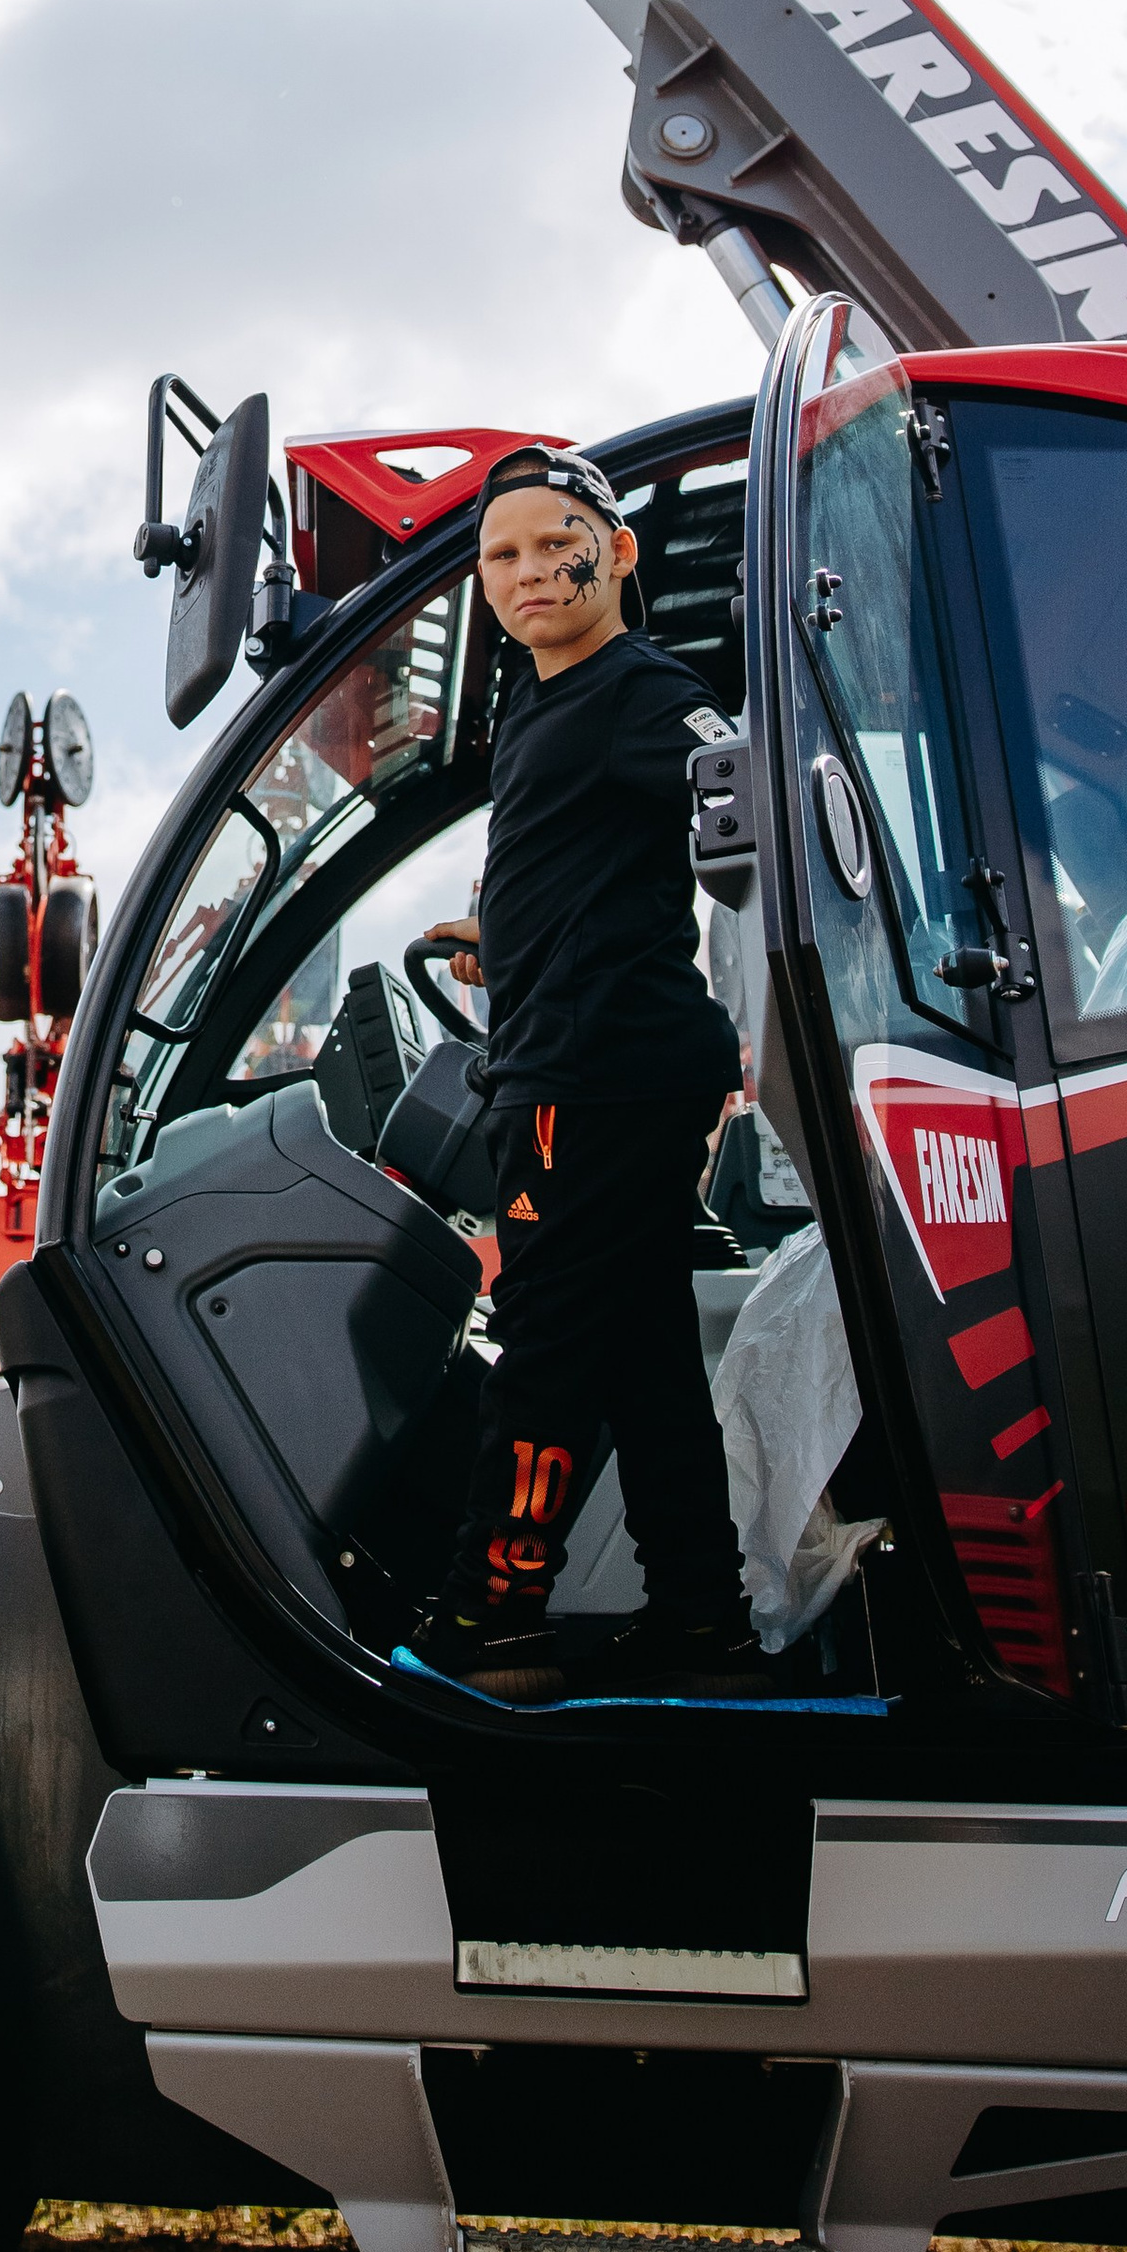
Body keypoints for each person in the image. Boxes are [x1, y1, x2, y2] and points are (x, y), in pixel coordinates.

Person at [411, 443, 754, 1695]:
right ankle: (701, 1617)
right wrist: (498, 935)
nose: (520, 572)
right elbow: (583, 861)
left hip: (597, 1076)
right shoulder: (538, 703)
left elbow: (737, 782)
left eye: (548, 542)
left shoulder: (638, 688)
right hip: (579, 1055)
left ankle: (490, 1611)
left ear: (612, 551)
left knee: (548, 1344)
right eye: (496, 556)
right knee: (645, 1357)